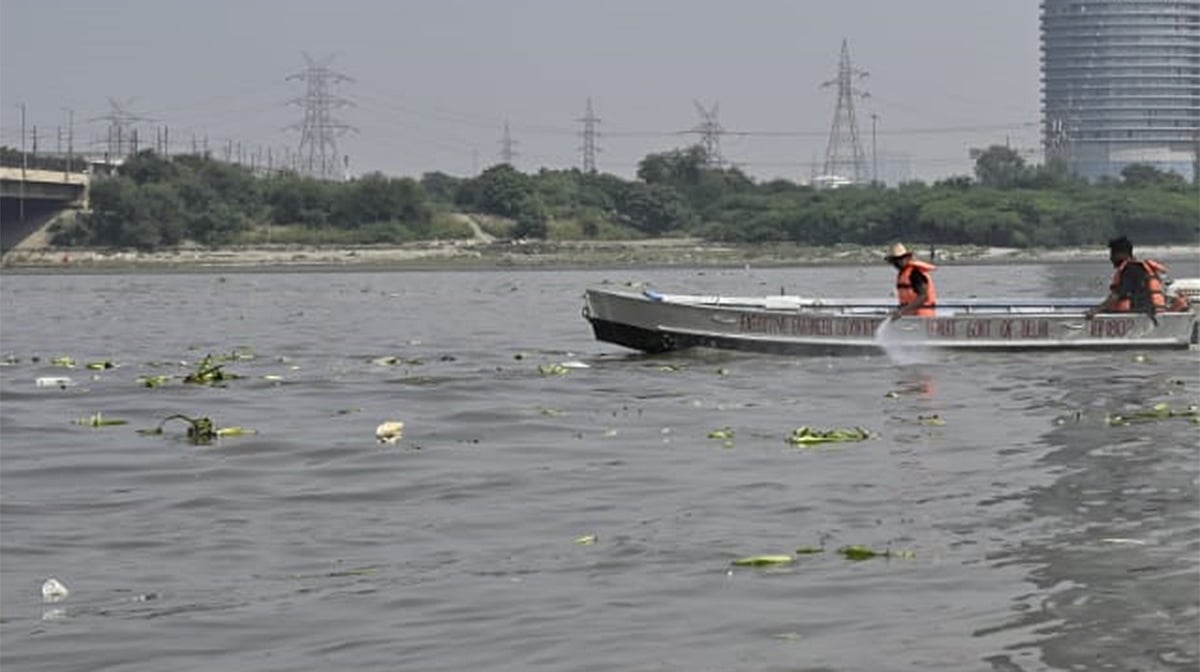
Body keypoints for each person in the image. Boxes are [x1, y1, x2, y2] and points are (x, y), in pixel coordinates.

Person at [1084, 236, 1168, 320]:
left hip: (1139, 315)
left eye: (1113, 254)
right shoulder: (1137, 268)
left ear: (1123, 254)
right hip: (1146, 312)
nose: (1111, 258)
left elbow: (1117, 295)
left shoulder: (1130, 269)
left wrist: (1096, 310)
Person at [884, 242, 937, 319]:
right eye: (894, 260)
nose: (897, 263)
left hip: (923, 318)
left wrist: (902, 311)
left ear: (907, 258)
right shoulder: (903, 274)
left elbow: (923, 296)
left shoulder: (915, 273)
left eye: (900, 259)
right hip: (910, 317)